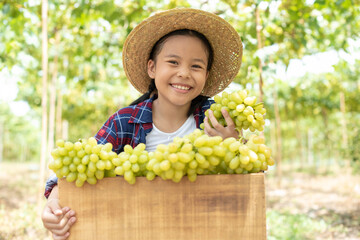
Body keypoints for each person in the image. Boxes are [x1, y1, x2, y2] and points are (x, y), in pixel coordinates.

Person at [41, 8, 243, 240]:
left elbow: (245, 173)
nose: (184, 73)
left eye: (196, 66)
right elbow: (78, 167)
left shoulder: (216, 118)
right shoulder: (124, 121)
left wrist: (233, 145)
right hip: (136, 228)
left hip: (198, 228)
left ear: (206, 75)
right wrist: (54, 202)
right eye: (173, 62)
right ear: (152, 68)